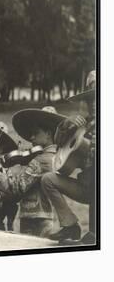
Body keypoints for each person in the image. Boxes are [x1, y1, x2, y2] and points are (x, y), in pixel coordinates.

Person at [0, 107, 65, 237]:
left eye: (36, 133)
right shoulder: (56, 155)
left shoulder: (41, 160)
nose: (31, 137)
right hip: (45, 215)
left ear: (49, 134)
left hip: (34, 219)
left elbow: (18, 187)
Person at [41, 70, 96, 243]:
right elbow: (58, 143)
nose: (93, 103)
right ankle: (70, 227)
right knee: (48, 179)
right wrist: (65, 125)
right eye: (89, 99)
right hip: (86, 186)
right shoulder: (84, 124)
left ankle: (95, 234)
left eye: (98, 97)